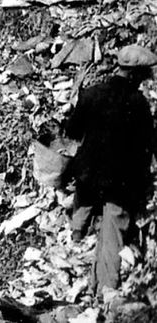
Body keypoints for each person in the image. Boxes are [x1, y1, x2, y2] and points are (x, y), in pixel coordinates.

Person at [63, 44, 156, 297]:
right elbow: (148, 146)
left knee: (83, 222)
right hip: (119, 184)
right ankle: (106, 293)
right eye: (144, 74)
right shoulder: (138, 104)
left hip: (87, 177)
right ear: (135, 74)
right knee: (112, 236)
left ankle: (76, 241)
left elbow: (72, 131)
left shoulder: (92, 94)